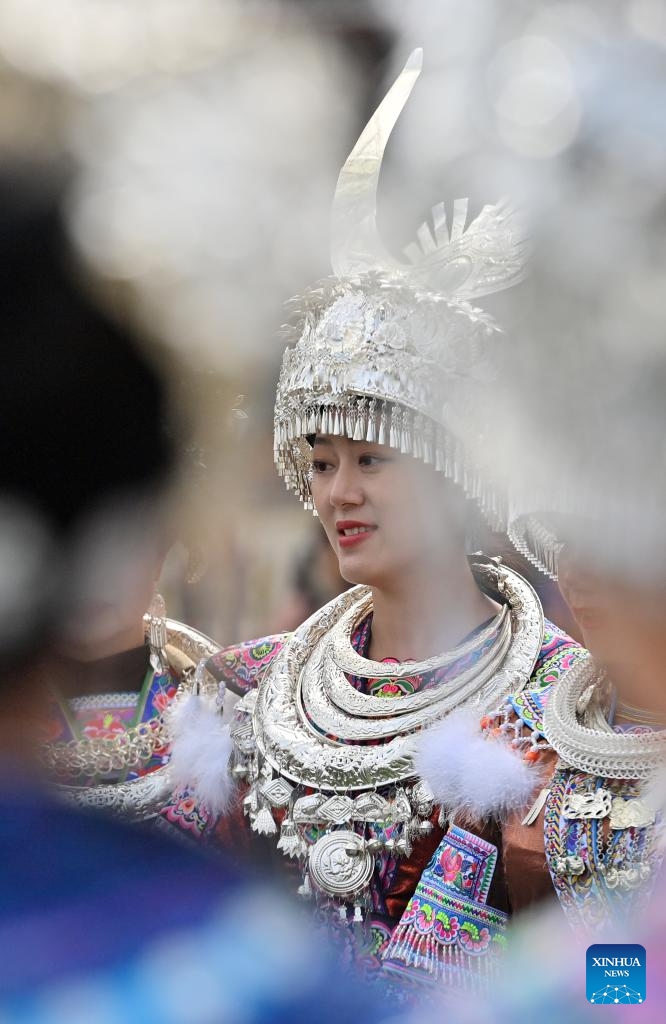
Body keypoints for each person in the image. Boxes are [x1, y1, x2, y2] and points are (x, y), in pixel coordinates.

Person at [166, 50, 584, 992]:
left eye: (371, 459)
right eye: (319, 464)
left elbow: (631, 985)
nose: (337, 495)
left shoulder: (568, 706)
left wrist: (537, 889)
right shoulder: (251, 690)